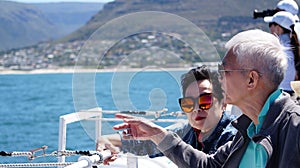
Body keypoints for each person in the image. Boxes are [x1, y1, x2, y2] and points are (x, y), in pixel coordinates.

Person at [113, 29, 300, 167]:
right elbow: (209, 166)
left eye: (224, 71)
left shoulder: (295, 127)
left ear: (251, 79)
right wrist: (157, 135)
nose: (219, 78)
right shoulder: (247, 129)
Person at [96, 65, 237, 157]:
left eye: (205, 101)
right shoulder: (188, 132)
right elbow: (149, 144)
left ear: (223, 103)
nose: (196, 108)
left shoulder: (233, 137)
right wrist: (106, 140)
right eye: (188, 104)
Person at [264, 11, 299, 95]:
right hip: (291, 92)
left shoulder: (278, 47)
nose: (270, 28)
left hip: (279, 93)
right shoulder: (293, 46)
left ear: (278, 28)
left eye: (271, 24)